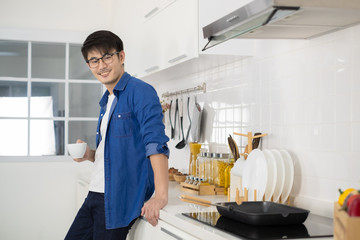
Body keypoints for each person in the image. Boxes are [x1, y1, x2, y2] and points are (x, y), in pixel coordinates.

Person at [65, 30, 170, 240]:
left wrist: (160, 196)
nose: (101, 65)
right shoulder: (107, 100)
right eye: (94, 60)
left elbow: (155, 143)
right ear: (89, 65)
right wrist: (89, 154)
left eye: (107, 57)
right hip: (95, 194)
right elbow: (115, 151)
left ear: (121, 56)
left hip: (118, 198)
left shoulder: (140, 91)